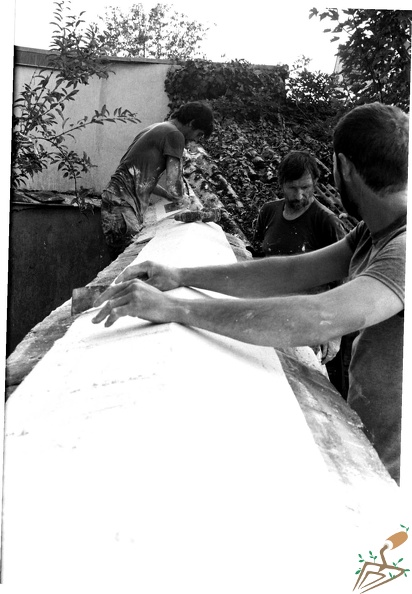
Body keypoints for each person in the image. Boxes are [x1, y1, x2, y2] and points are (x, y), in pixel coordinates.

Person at [92, 102, 408, 485]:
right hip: (372, 442)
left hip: (392, 473)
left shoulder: (403, 247)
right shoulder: (373, 232)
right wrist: (178, 275)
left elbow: (320, 316)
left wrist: (174, 309)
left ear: (342, 166)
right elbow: (290, 271)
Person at [253, 151, 346, 389]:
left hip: (309, 323)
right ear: (281, 184)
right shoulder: (269, 212)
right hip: (272, 314)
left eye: (306, 187)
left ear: (315, 183)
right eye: (292, 188)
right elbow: (258, 259)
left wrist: (333, 333)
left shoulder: (326, 222)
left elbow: (344, 282)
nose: (299, 195)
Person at [101, 101, 214, 257]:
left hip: (115, 199)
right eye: (199, 134)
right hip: (123, 204)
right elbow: (174, 183)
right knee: (131, 258)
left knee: (120, 257)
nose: (196, 140)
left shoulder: (155, 128)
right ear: (191, 123)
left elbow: (140, 177)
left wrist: (167, 196)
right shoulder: (175, 135)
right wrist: (188, 203)